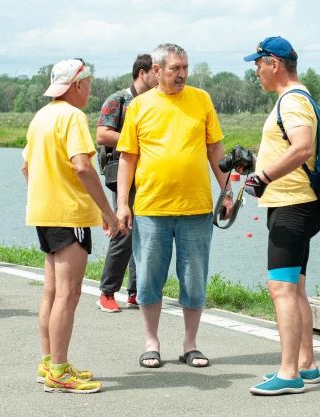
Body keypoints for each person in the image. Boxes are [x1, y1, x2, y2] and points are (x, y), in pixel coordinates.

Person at [115, 43, 234, 369]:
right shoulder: (139, 106)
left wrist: (227, 191)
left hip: (195, 208)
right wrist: (122, 204)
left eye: (185, 68)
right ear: (156, 70)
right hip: (151, 208)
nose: (181, 74)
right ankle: (151, 342)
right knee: (150, 277)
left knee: (194, 278)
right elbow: (127, 158)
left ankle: (190, 344)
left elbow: (215, 150)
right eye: (174, 69)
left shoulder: (201, 100)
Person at [22, 58, 120, 394]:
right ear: (78, 84)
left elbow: (26, 167)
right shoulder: (72, 117)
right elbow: (83, 167)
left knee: (52, 292)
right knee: (69, 294)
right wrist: (108, 213)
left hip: (43, 213)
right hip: (70, 215)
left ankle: (50, 362)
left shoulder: (41, 117)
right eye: (89, 84)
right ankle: (60, 372)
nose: (90, 91)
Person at [242, 36, 320, 395]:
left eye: (258, 64)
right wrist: (256, 164)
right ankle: (306, 364)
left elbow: (302, 146)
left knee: (281, 290)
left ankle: (288, 373)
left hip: (292, 207)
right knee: (296, 288)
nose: (256, 72)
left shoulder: (291, 101)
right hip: (297, 204)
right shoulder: (294, 98)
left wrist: (264, 176)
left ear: (274, 63)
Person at [96, 54, 157, 313]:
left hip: (151, 175)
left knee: (144, 234)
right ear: (142, 73)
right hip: (123, 174)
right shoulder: (119, 100)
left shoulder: (156, 102)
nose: (160, 75)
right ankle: (107, 292)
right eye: (156, 71)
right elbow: (102, 134)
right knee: (124, 230)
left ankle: (136, 292)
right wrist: (132, 139)